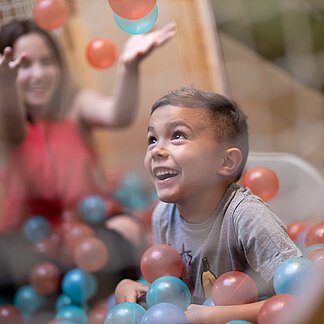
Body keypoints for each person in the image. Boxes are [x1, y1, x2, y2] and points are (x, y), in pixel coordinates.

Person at [0, 18, 175, 307]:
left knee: (128, 230)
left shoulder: (75, 104)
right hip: (30, 242)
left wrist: (128, 67)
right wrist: (6, 91)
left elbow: (118, 114)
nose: (38, 74)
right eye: (24, 65)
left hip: (86, 234)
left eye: (47, 62)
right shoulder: (7, 119)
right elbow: (14, 129)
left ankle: (76, 288)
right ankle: (68, 288)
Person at [115, 86, 303, 323]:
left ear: (225, 162)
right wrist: (135, 287)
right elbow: (170, 290)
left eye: (178, 135)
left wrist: (217, 316)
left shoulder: (246, 217)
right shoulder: (163, 215)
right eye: (152, 139)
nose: (157, 151)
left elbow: (303, 298)